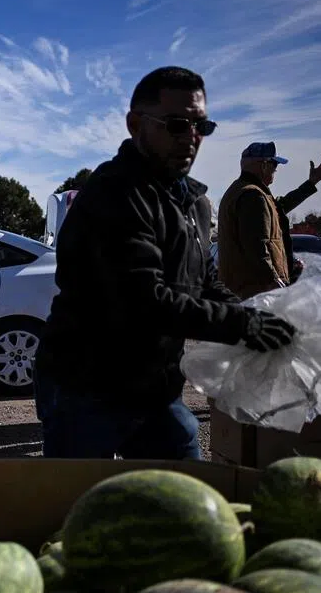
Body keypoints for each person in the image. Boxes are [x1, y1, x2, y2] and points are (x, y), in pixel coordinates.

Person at [32, 66, 296, 461]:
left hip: (154, 386)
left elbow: (204, 281)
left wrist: (260, 310)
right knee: (79, 508)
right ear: (135, 123)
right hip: (85, 385)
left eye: (200, 127)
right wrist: (247, 326)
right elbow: (144, 302)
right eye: (176, 124)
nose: (191, 138)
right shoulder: (115, 194)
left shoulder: (190, 202)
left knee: (186, 498)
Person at [216, 143, 321, 298]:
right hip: (255, 292)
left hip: (246, 289)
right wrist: (273, 278)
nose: (275, 171)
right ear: (264, 165)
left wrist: (311, 183)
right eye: (274, 165)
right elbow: (256, 245)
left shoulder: (243, 191)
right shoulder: (252, 196)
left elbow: (279, 207)